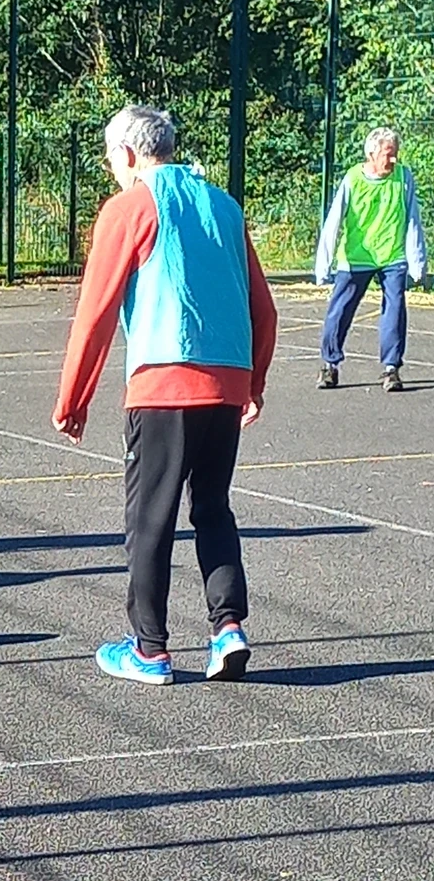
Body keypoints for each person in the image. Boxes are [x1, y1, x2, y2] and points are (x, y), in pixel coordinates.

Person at [52, 106, 278, 686]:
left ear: (128, 154)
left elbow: (96, 311)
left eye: (110, 160)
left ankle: (149, 648)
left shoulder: (129, 207)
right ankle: (227, 628)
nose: (111, 171)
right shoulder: (224, 206)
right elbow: (264, 309)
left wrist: (73, 399)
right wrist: (251, 383)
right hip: (225, 380)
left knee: (149, 517)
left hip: (162, 380)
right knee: (212, 508)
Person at [314, 126, 427, 393]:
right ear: (372, 153)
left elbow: (413, 219)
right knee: (340, 310)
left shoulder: (403, 177)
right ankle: (330, 365)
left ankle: (391, 368)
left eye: (395, 154)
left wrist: (417, 261)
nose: (393, 160)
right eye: (388, 154)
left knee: (395, 308)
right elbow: (334, 221)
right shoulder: (353, 179)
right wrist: (324, 265)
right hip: (356, 257)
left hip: (393, 255)